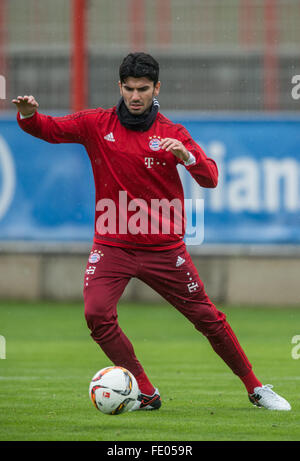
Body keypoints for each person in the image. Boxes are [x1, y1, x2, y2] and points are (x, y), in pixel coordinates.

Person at [13, 52, 291, 411]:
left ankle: (256, 388)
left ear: (156, 88)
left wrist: (188, 158)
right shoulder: (97, 124)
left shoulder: (172, 134)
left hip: (164, 249)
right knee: (96, 314)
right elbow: (48, 129)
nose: (135, 96)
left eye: (143, 89)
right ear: (120, 87)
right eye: (129, 89)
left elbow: (211, 178)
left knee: (208, 318)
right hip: (112, 244)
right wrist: (28, 114)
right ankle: (144, 390)